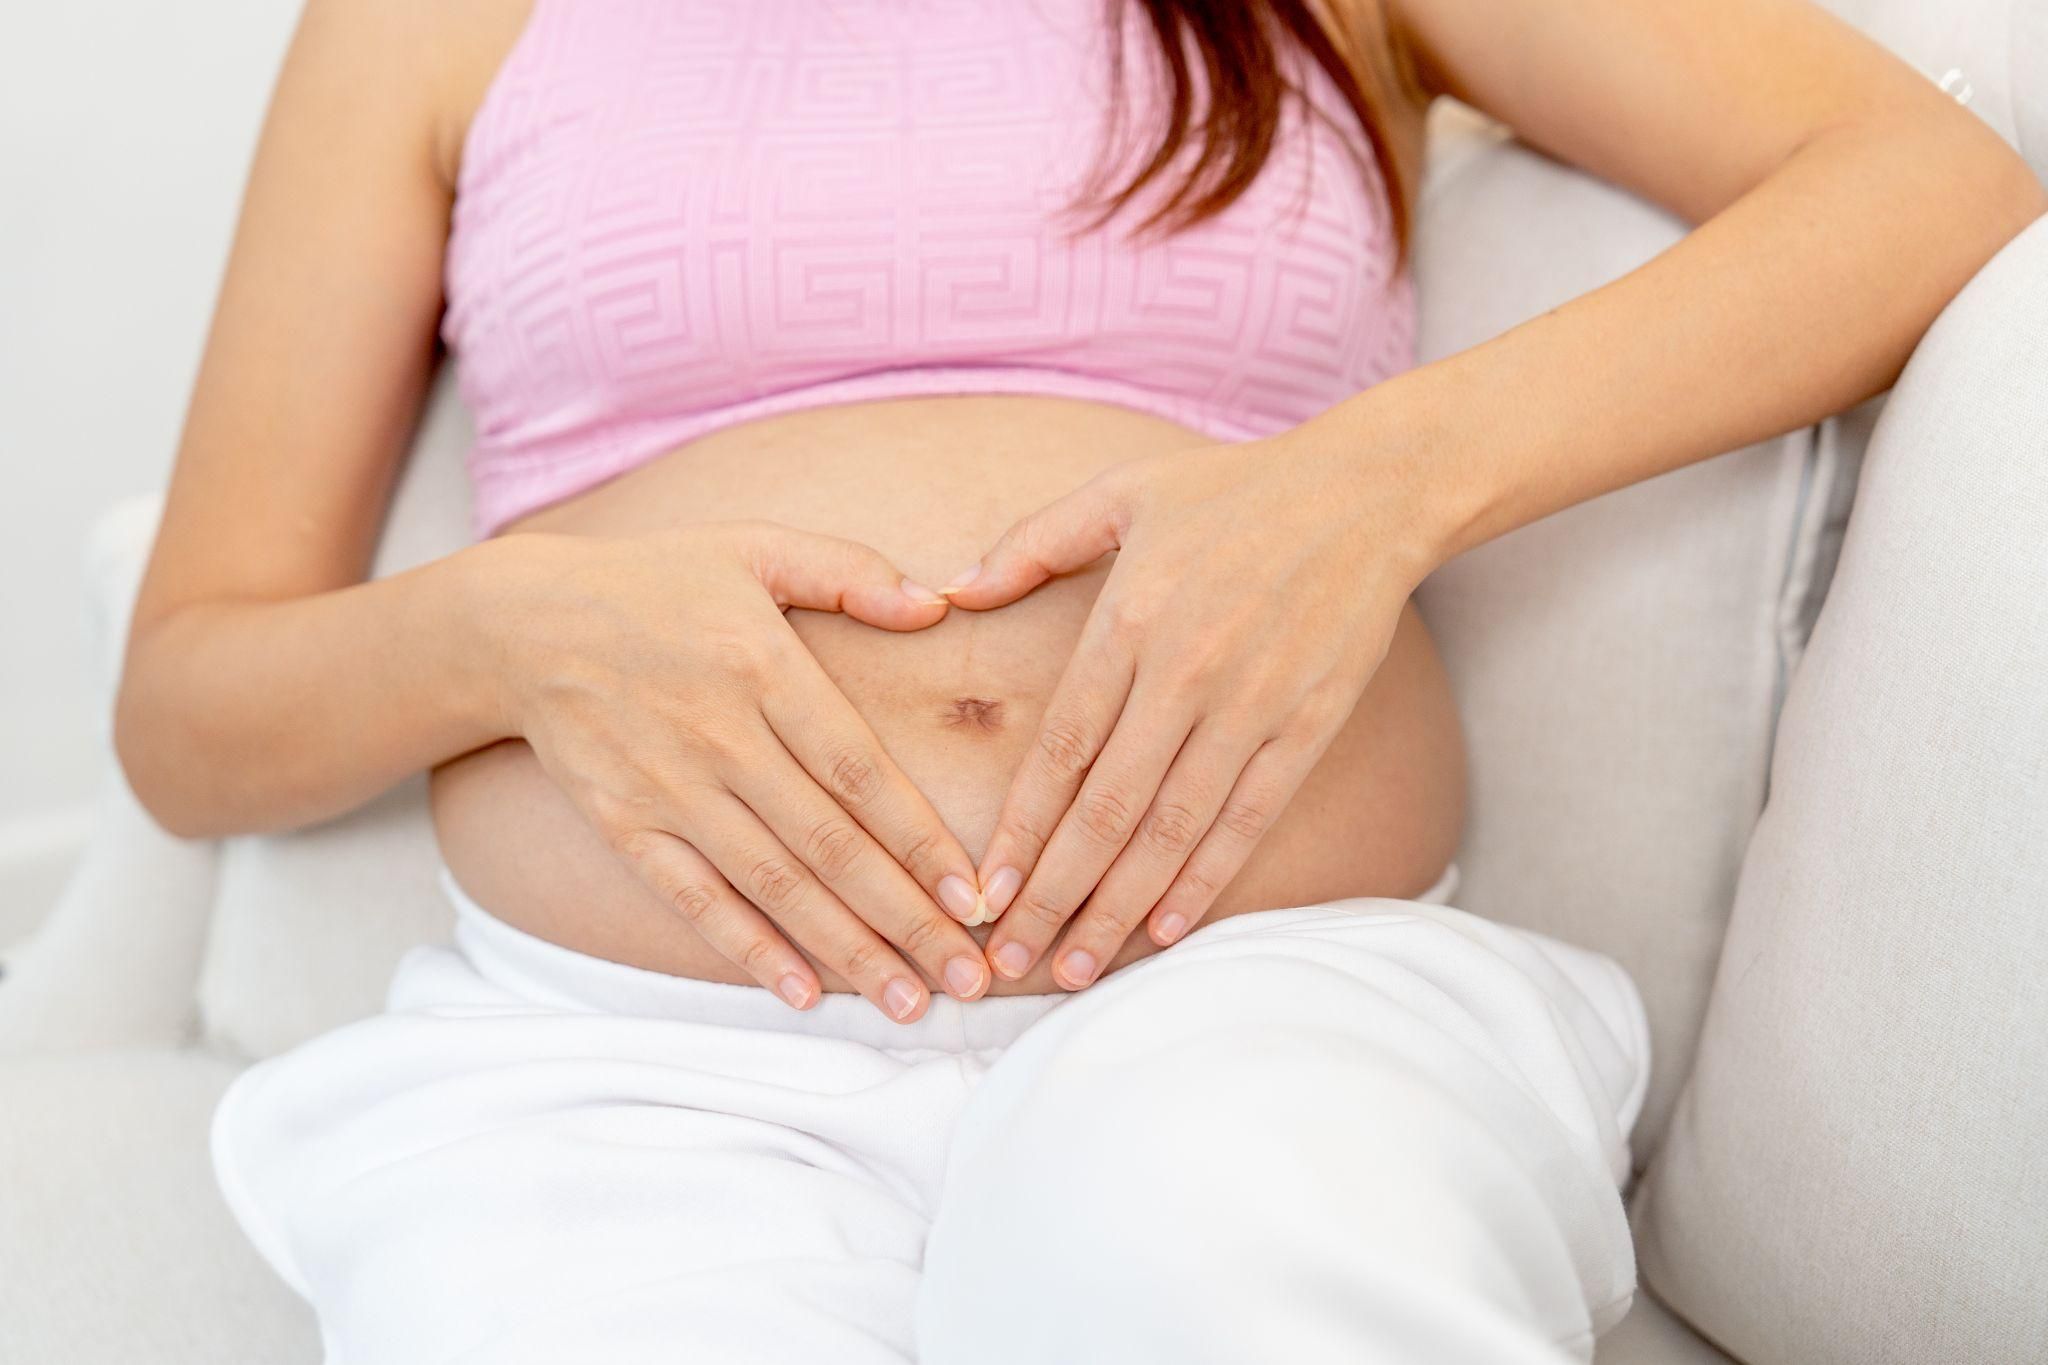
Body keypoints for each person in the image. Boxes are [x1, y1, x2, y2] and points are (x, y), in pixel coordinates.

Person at [114, 0, 2045, 1360]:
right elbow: (190, 708)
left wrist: (1383, 484)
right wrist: (512, 622)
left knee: (1214, 1271)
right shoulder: (424, 17)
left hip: (1256, 994)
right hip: (633, 1082)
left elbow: (1927, 182)